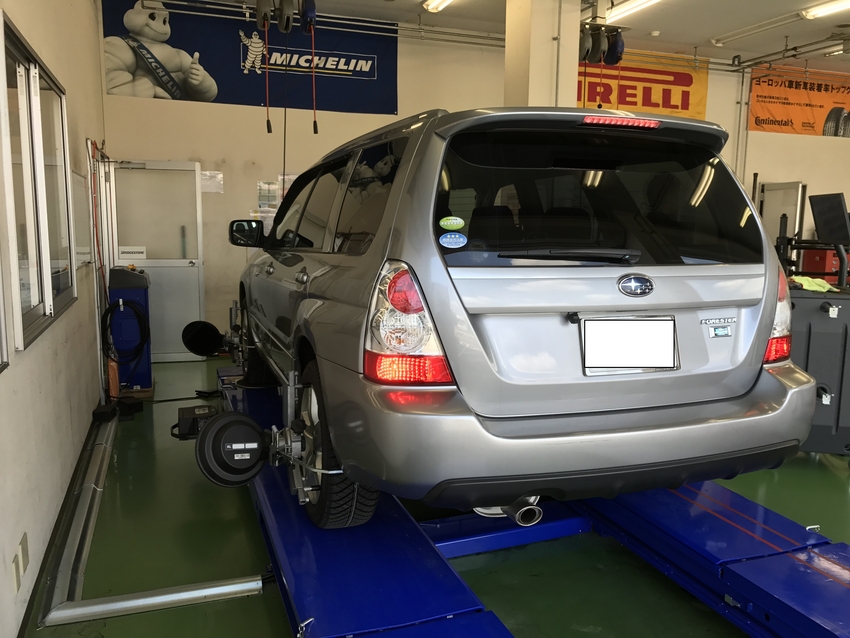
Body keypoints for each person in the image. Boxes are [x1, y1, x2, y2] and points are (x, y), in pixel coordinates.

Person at [104, 1, 218, 101]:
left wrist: (201, 82)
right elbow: (113, 85)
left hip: (177, 113)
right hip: (139, 111)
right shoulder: (118, 45)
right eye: (153, 16)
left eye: (165, 20)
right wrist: (152, 91)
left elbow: (208, 95)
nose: (159, 23)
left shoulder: (180, 54)